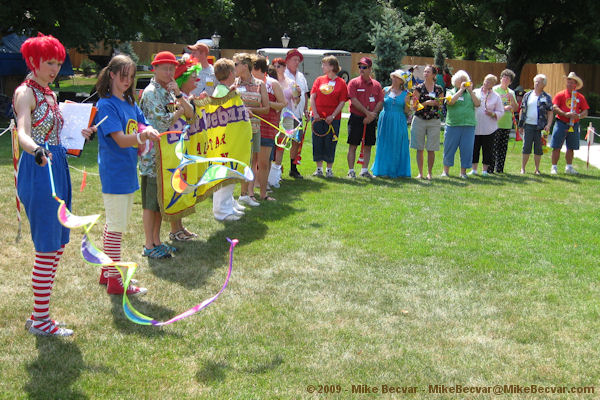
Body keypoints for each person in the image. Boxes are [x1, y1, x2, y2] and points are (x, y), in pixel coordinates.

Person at [14, 34, 93, 336]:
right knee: (48, 248)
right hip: (39, 168)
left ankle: (38, 316)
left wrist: (78, 132)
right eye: (49, 62)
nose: (55, 68)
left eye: (59, 63)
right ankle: (42, 321)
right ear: (34, 61)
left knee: (58, 244)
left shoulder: (48, 93)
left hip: (57, 165)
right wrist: (35, 150)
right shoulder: (26, 92)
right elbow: (23, 131)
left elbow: (60, 133)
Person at [95, 54, 160, 295]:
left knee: (114, 224)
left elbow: (141, 124)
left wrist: (148, 129)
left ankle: (107, 271)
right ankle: (115, 281)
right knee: (116, 228)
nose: (128, 81)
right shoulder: (106, 104)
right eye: (123, 75)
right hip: (115, 173)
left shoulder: (130, 103)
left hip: (125, 171)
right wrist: (142, 137)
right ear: (111, 74)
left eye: (131, 77)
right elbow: (121, 140)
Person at [139, 51, 195, 256]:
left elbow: (191, 115)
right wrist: (179, 111)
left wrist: (180, 95)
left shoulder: (171, 91)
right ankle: (148, 245)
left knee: (160, 202)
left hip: (168, 155)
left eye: (172, 68)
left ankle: (157, 241)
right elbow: (161, 122)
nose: (169, 72)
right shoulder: (151, 92)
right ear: (155, 69)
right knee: (150, 203)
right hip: (153, 157)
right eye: (165, 68)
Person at [234, 53, 269, 209]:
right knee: (241, 161)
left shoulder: (260, 84)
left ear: (245, 66)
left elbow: (266, 108)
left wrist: (252, 109)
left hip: (254, 128)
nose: (234, 67)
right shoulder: (233, 84)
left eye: (236, 64)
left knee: (253, 162)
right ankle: (241, 194)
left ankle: (248, 194)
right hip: (238, 129)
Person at [251, 56, 286, 201]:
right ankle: (249, 193)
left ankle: (263, 193)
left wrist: (266, 103)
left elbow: (282, 103)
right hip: (251, 125)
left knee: (264, 162)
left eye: (251, 67)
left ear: (257, 68)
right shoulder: (248, 83)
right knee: (252, 161)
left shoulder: (273, 83)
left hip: (267, 127)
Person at [310, 55, 348, 178]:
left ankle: (329, 169)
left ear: (332, 66)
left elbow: (342, 101)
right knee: (317, 141)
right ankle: (319, 168)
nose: (322, 66)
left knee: (330, 142)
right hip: (318, 117)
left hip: (333, 119)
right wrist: (315, 113)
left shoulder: (341, 82)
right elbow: (313, 97)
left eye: (325, 64)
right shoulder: (319, 80)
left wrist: (333, 115)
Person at [345, 57, 383, 178]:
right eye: (360, 66)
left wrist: (372, 115)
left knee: (368, 145)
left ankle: (364, 170)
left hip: (370, 119)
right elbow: (353, 100)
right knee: (353, 145)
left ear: (370, 69)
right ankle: (351, 171)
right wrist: (367, 113)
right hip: (356, 118)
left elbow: (380, 102)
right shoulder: (353, 82)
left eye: (364, 67)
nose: (361, 69)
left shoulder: (376, 85)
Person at [371, 69, 411, 178]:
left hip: (398, 120)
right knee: (383, 143)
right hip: (385, 119)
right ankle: (381, 170)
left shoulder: (406, 94)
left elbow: (407, 111)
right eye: (394, 77)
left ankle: (396, 170)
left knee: (397, 143)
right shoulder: (385, 90)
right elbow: (379, 103)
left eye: (397, 78)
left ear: (401, 81)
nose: (394, 79)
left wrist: (409, 105)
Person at [442, 70, 480, 178]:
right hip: (453, 124)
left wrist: (470, 91)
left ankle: (463, 172)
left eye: (465, 80)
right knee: (449, 148)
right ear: (455, 81)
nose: (463, 81)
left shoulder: (472, 93)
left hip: (468, 125)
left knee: (466, 149)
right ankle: (445, 171)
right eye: (461, 80)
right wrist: (460, 90)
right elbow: (450, 102)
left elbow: (477, 104)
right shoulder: (450, 92)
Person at [269, 57, 300, 187]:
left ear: (284, 67)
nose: (277, 68)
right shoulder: (270, 82)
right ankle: (269, 175)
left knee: (281, 145)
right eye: (275, 66)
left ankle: (276, 176)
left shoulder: (291, 82)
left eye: (280, 65)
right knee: (270, 145)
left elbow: (296, 101)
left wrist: (297, 94)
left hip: (287, 116)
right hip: (272, 115)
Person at [550, 72, 589, 174]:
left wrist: (579, 116)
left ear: (575, 84)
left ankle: (569, 167)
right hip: (561, 123)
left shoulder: (580, 97)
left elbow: (585, 111)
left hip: (574, 124)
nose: (569, 84)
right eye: (568, 82)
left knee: (571, 147)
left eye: (572, 82)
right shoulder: (560, 94)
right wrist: (564, 114)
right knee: (556, 146)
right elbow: (554, 107)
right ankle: (554, 167)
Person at [410, 65, 444, 179]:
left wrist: (438, 104)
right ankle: (420, 173)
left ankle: (429, 173)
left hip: (434, 121)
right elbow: (414, 106)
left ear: (434, 75)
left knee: (431, 148)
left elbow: (441, 106)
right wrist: (426, 103)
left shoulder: (439, 89)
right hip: (419, 120)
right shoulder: (418, 88)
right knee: (419, 148)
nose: (425, 73)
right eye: (424, 71)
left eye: (428, 72)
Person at [519, 74, 554, 174]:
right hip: (528, 125)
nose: (537, 84)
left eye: (539, 82)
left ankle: (537, 169)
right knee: (526, 147)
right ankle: (523, 168)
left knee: (539, 148)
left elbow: (550, 112)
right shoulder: (527, 95)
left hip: (541, 127)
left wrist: (548, 125)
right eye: (535, 81)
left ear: (544, 85)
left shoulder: (547, 97)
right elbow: (522, 110)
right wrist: (521, 125)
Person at [470, 74, 503, 176]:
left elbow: (501, 111)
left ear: (493, 85)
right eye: (485, 80)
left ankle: (485, 170)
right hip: (475, 126)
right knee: (474, 148)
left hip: (489, 128)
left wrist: (493, 114)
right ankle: (474, 169)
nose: (486, 83)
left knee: (487, 149)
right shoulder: (475, 92)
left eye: (489, 82)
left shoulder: (496, 96)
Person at [284, 49, 309, 178]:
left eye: (298, 60)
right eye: (294, 59)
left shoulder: (301, 76)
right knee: (284, 140)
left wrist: (306, 110)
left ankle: (293, 168)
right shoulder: (283, 75)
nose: (297, 62)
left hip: (298, 114)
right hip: (287, 113)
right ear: (287, 61)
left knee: (296, 141)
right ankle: (277, 167)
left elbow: (305, 94)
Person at [491, 69, 519, 173]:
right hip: (495, 122)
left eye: (508, 79)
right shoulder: (494, 90)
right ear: (500, 78)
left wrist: (512, 99)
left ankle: (499, 169)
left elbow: (515, 108)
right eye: (504, 77)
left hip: (506, 123)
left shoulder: (511, 92)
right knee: (493, 146)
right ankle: (490, 169)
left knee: (502, 147)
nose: (505, 80)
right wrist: (504, 108)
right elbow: (490, 105)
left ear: (510, 82)